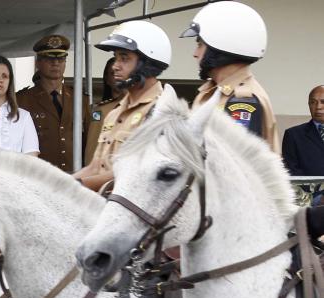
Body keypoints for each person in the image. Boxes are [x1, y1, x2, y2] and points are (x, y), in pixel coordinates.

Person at [73, 21, 171, 192]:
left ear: (147, 64)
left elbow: (135, 174)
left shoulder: (161, 112)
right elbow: (95, 168)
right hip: (102, 205)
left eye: (124, 58)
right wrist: (57, 182)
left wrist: (76, 187)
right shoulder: (114, 113)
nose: (115, 66)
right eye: (116, 57)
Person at [182, 1, 277, 152]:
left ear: (219, 46)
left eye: (200, 44)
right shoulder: (213, 92)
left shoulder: (242, 99)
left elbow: (233, 165)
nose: (195, 53)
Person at [16, 35, 88, 171]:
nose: (56, 63)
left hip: (75, 177)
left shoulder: (79, 99)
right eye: (49, 58)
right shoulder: (22, 100)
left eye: (60, 59)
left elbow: (89, 141)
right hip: (40, 178)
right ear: (38, 63)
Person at [85, 58, 123, 165]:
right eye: (113, 73)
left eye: (120, 71)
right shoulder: (99, 111)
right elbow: (93, 145)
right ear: (107, 79)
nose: (117, 76)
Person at [282, 86, 324, 181]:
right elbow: (292, 171)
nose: (318, 107)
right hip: (310, 194)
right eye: (313, 102)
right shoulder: (293, 135)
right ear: (309, 105)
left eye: (323, 102)